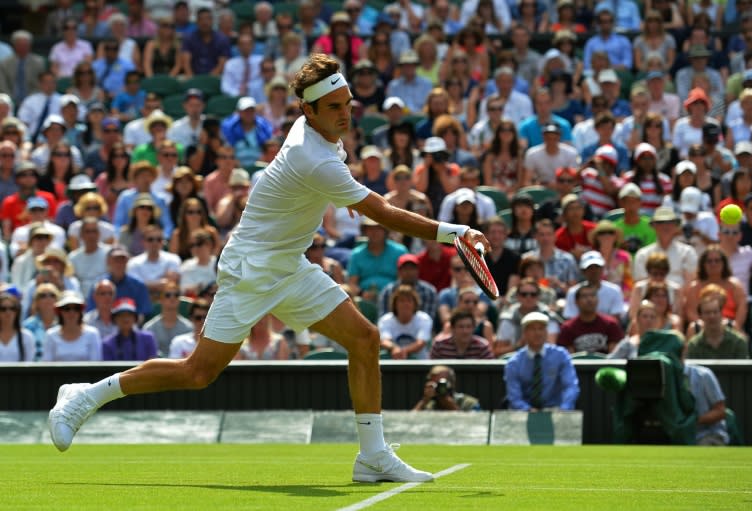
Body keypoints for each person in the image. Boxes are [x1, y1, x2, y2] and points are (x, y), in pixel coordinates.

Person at [49, 54, 493, 482]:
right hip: (252, 269)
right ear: (308, 110)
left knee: (364, 339)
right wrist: (456, 232)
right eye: (334, 108)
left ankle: (372, 456)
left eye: (348, 106)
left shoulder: (314, 131)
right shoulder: (311, 156)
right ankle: (83, 396)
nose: (345, 115)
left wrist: (342, 194)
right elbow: (384, 213)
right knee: (198, 373)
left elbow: (345, 181)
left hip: (289, 265)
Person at [504, 311, 580, 411]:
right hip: (524, 415)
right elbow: (514, 397)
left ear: (546, 332)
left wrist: (563, 409)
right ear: (524, 333)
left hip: (556, 411)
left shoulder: (561, 355)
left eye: (541, 328)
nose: (537, 333)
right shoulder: (514, 363)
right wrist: (528, 410)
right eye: (532, 329)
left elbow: (571, 386)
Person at [557, 284, 624, 354]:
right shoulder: (567, 328)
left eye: (592, 295)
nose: (589, 299)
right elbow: (569, 359)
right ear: (576, 302)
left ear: (598, 300)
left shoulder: (611, 324)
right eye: (584, 296)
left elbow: (615, 357)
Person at [686, 286, 749, 359]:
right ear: (701, 316)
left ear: (722, 313)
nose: (712, 316)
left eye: (715, 312)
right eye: (707, 312)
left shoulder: (738, 342)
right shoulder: (694, 345)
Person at [42, 291, 102, 361]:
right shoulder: (50, 335)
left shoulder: (93, 334)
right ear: (60, 311)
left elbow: (95, 364)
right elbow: (47, 364)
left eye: (76, 308)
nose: (71, 312)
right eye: (66, 308)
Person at [377, 284, 432, 359]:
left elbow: (421, 343)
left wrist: (403, 351)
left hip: (420, 366)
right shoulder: (385, 320)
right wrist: (394, 348)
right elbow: (384, 341)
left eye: (409, 300)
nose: (405, 304)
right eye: (401, 300)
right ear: (395, 304)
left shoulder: (424, 319)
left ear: (415, 304)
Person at [412, 365, 481, 411]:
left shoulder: (469, 403)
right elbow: (410, 422)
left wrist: (448, 403)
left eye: (442, 383)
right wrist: (424, 401)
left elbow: (475, 424)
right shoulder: (429, 406)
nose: (439, 387)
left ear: (452, 383)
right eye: (435, 383)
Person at [430, 309, 494, 360]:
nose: (465, 331)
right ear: (452, 328)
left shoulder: (482, 346)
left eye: (468, 326)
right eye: (461, 327)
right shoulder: (439, 346)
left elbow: (490, 371)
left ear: (474, 328)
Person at [0, 292, 35, 362]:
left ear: (17, 311)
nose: (8, 312)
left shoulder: (27, 336)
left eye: (12, 308)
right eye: (3, 309)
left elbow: (29, 364)